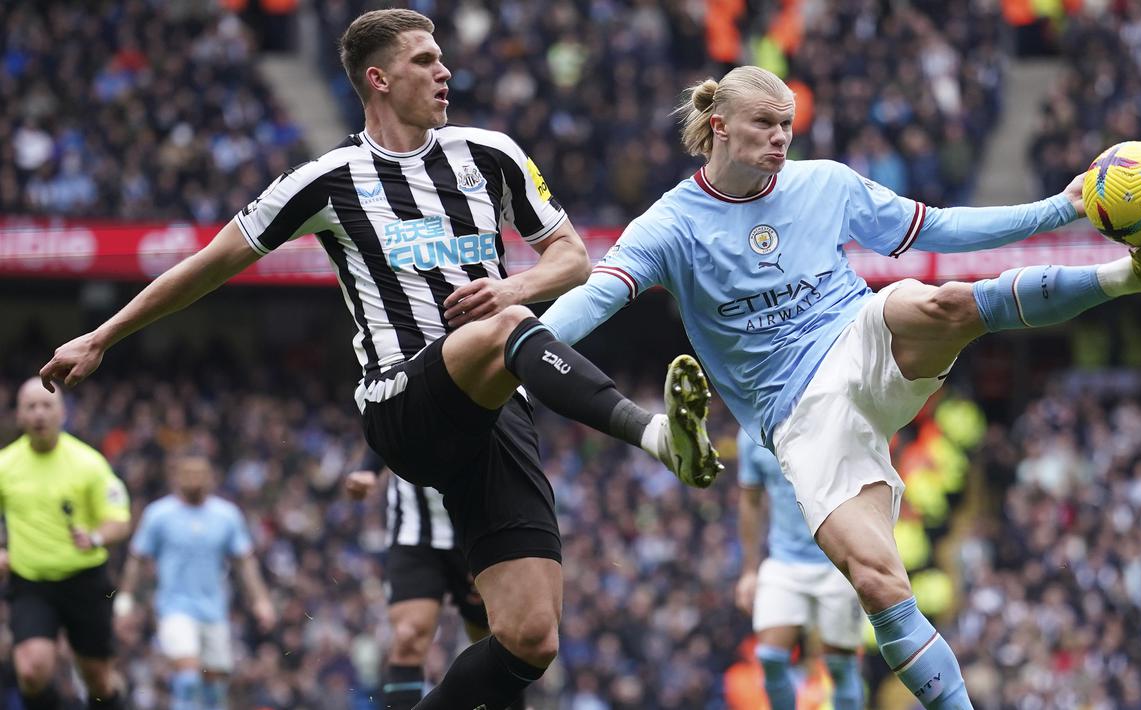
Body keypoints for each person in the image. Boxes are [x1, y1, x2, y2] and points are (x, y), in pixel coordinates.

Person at [39, 10, 721, 709]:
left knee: (529, 637)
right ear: (379, 78)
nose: (444, 71)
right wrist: (100, 336)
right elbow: (210, 264)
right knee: (507, 327)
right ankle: (657, 436)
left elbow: (573, 258)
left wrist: (512, 283)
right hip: (403, 403)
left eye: (441, 58)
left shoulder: (490, 153)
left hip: (492, 411)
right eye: (424, 60)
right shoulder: (328, 179)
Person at [538, 65, 1141, 708]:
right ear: (718, 127)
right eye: (764, 124)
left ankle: (1130, 277)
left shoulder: (824, 184)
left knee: (935, 304)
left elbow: (939, 229)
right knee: (879, 584)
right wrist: (526, 349)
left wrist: (1061, 207)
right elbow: (597, 296)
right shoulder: (670, 225)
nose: (780, 139)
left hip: (858, 337)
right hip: (798, 420)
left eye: (786, 126)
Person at [344, 451, 528, 709]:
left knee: (497, 638)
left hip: (475, 530)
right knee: (408, 636)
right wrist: (369, 469)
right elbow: (389, 417)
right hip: (414, 533)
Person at [0, 378, 132, 710]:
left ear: (63, 414)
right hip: (31, 582)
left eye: (47, 405)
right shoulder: (5, 466)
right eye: (31, 406)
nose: (39, 413)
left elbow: (119, 520)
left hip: (84, 580)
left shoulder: (89, 464)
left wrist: (96, 537)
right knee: (31, 670)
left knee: (98, 680)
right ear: (19, 415)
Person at [113, 453, 276, 710]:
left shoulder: (226, 515)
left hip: (214, 611)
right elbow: (137, 559)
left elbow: (245, 562)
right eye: (187, 473)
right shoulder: (159, 514)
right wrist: (124, 601)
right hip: (174, 609)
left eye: (199, 473)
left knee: (216, 689)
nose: (194, 478)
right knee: (188, 677)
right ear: (176, 477)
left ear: (211, 478)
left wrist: (261, 601)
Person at [735, 431, 864, 710]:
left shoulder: (829, 413)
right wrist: (749, 571)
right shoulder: (751, 433)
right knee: (769, 658)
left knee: (840, 665)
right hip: (784, 561)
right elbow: (750, 500)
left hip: (838, 562)